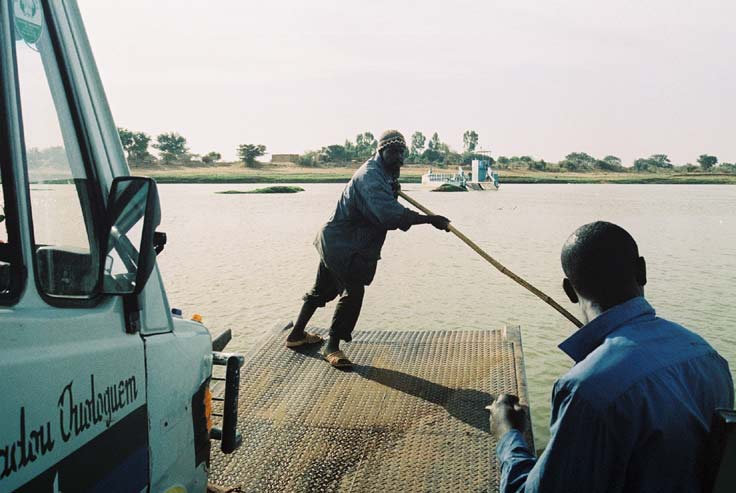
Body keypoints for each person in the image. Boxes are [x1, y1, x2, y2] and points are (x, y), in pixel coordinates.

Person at [488, 221, 734, 492]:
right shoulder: (708, 357)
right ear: (642, 271)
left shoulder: (586, 389)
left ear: (570, 291)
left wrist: (508, 434)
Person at [286, 130, 451, 368]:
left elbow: (387, 200)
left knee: (322, 289)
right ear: (381, 150)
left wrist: (393, 188)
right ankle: (332, 346)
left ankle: (296, 336)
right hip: (344, 244)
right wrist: (430, 219)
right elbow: (389, 215)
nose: (399, 158)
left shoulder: (383, 173)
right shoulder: (370, 177)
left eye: (401, 153)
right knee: (353, 292)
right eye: (393, 152)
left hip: (336, 240)